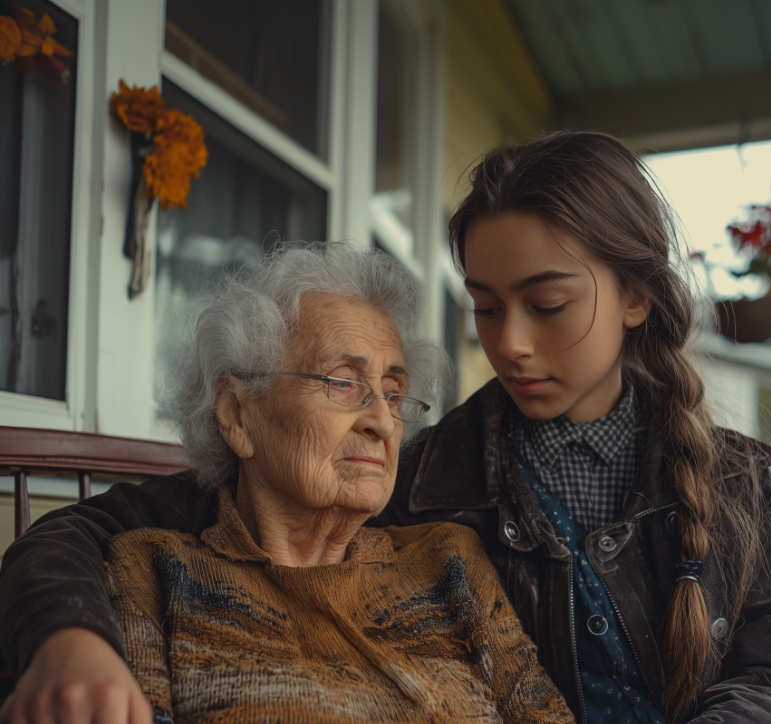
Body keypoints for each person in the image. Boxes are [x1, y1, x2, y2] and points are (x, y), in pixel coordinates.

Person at [0, 132, 771, 724]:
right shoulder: (420, 479)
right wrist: (68, 632)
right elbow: (104, 528)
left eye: (547, 305)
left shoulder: (732, 487)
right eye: (486, 307)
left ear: (638, 297)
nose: (508, 344)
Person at [0, 243, 573, 724]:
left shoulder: (450, 563)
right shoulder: (154, 574)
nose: (381, 421)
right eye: (343, 383)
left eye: (394, 394)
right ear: (237, 414)